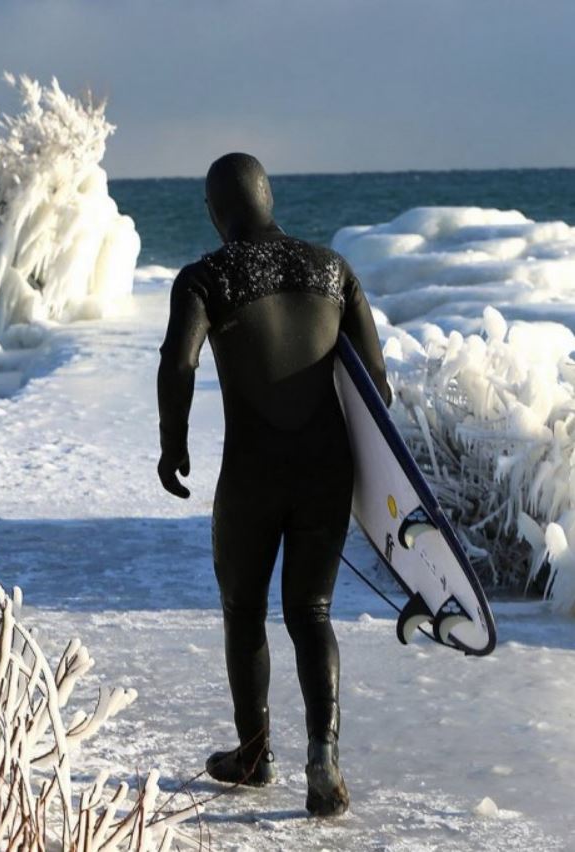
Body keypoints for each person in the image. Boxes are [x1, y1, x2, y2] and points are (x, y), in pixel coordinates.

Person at [156, 153, 391, 818]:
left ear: (214, 209)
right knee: (311, 613)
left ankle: (254, 755)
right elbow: (376, 384)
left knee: (244, 610)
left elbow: (179, 362)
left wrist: (173, 443)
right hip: (328, 468)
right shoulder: (333, 268)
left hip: (254, 471)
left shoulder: (205, 277)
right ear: (269, 198)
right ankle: (325, 757)